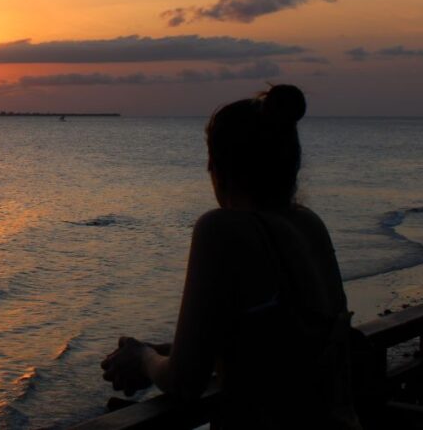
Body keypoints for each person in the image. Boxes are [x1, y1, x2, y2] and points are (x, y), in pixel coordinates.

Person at [100, 85, 361, 429]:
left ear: (219, 167)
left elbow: (184, 382)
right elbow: (276, 343)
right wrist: (169, 350)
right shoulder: (310, 225)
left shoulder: (222, 229)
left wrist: (144, 358)